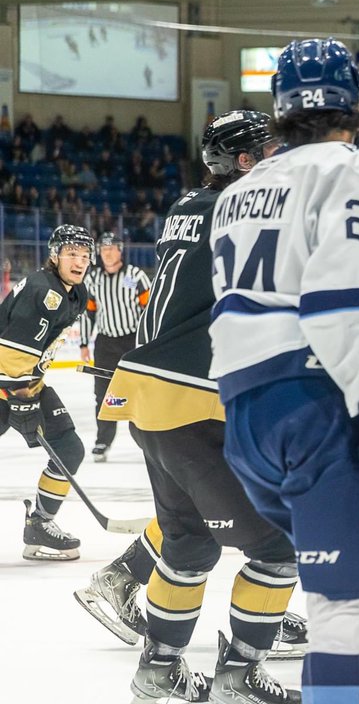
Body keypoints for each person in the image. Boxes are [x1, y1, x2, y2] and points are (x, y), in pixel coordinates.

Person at [210, 38, 359, 703]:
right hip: (318, 403)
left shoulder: (242, 189)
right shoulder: (355, 170)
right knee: (352, 609)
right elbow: (342, 306)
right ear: (357, 101)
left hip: (247, 420)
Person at [72, 111, 306, 703]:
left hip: (157, 399)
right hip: (193, 400)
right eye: (270, 151)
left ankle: (160, 667)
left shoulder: (192, 206)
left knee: (190, 543)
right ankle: (240, 676)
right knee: (280, 545)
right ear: (245, 163)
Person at [0, 225, 92, 560]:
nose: (79, 261)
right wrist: (21, 401)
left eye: (84, 255)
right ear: (54, 255)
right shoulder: (43, 291)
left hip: (27, 383)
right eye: (71, 253)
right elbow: (10, 354)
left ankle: (40, 523)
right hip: (9, 384)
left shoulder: (74, 292)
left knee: (69, 449)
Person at [80, 232, 152, 461]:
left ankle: (148, 439)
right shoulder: (93, 279)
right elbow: (88, 313)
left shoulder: (135, 276)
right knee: (102, 395)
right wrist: (83, 343)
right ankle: (102, 441)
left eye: (111, 248)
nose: (107, 253)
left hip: (131, 343)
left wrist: (147, 343)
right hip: (105, 344)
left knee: (139, 393)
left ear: (120, 250)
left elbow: (148, 312)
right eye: (103, 249)